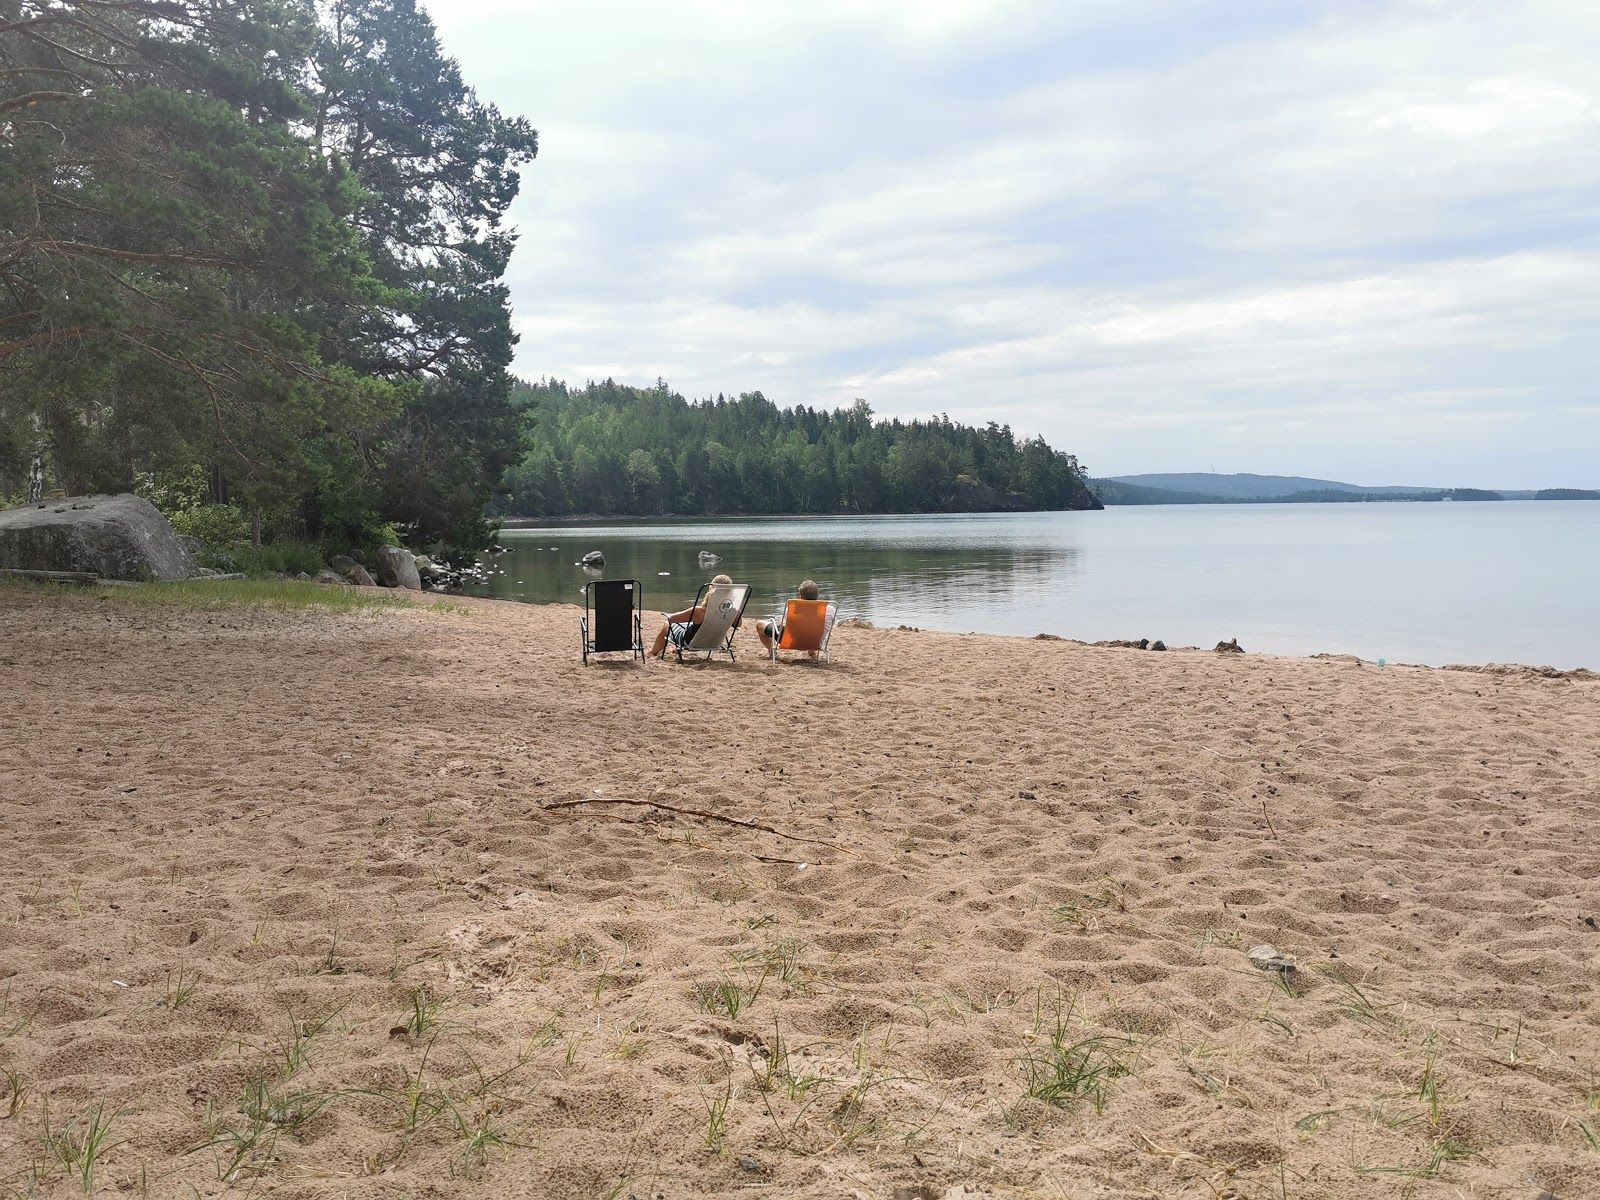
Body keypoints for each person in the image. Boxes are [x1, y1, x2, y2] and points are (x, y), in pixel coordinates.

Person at [651, 574, 738, 659]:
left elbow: (671, 619)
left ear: (710, 590)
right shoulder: (732, 611)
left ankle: (653, 652)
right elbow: (738, 624)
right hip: (714, 642)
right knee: (689, 625)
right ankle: (675, 650)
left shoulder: (699, 611)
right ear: (729, 592)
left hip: (690, 643)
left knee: (667, 624)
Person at [756, 579, 822, 657]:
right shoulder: (829, 610)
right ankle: (812, 651)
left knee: (759, 625)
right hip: (815, 643)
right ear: (818, 596)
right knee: (812, 628)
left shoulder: (792, 609)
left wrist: (782, 624)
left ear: (801, 597)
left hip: (793, 643)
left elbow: (789, 630)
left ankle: (772, 651)